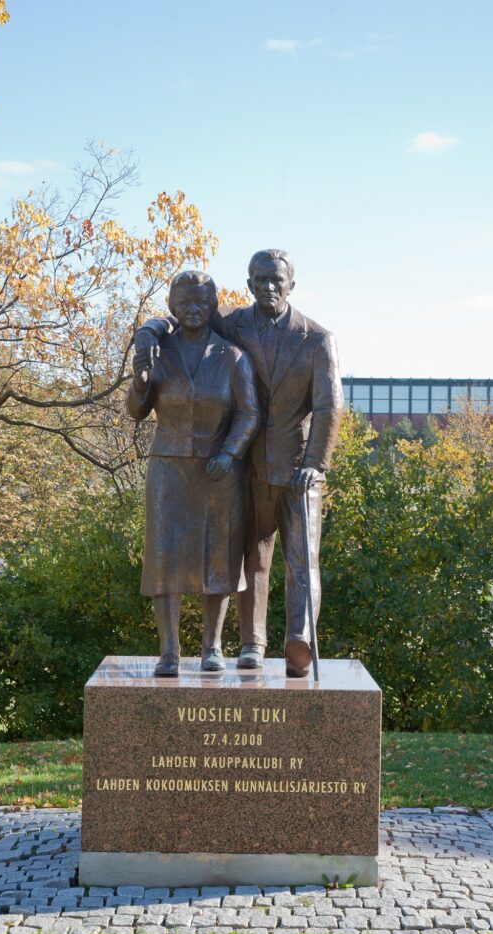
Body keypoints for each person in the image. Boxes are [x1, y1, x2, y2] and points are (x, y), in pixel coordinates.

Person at [135, 249, 343, 677]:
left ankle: (299, 641)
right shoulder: (231, 324)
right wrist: (147, 332)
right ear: (248, 284)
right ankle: (253, 644)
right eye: (259, 279)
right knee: (252, 557)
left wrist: (316, 464)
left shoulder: (318, 339)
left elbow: (328, 407)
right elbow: (183, 315)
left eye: (276, 280)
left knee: (302, 559)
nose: (268, 286)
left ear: (291, 284)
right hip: (248, 466)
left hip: (298, 466)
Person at [127, 270, 259, 676]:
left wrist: (230, 453)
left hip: (218, 473)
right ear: (171, 306)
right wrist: (140, 380)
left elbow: (249, 412)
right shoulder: (159, 350)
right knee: (164, 558)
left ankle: (212, 648)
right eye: (184, 303)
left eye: (201, 302)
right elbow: (135, 412)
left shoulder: (232, 357)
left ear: (214, 304)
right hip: (167, 468)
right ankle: (168, 652)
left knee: (217, 558)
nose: (193, 310)